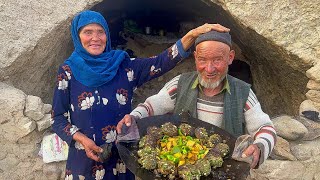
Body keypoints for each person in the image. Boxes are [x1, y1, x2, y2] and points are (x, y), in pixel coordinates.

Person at [51, 10, 230, 180]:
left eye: (100, 32)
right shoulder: (68, 71)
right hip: (84, 161)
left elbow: (162, 61)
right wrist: (81, 139)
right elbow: (57, 118)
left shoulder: (124, 66)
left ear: (107, 34)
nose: (95, 38)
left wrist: (192, 35)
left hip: (122, 159)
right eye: (88, 32)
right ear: (77, 35)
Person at [117, 30, 276, 169]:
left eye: (217, 60)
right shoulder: (180, 84)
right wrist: (134, 117)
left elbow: (265, 127)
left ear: (230, 57)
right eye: (202, 59)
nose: (209, 68)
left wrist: (259, 147)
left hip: (225, 171)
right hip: (182, 168)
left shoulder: (243, 93)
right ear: (195, 58)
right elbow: (151, 106)